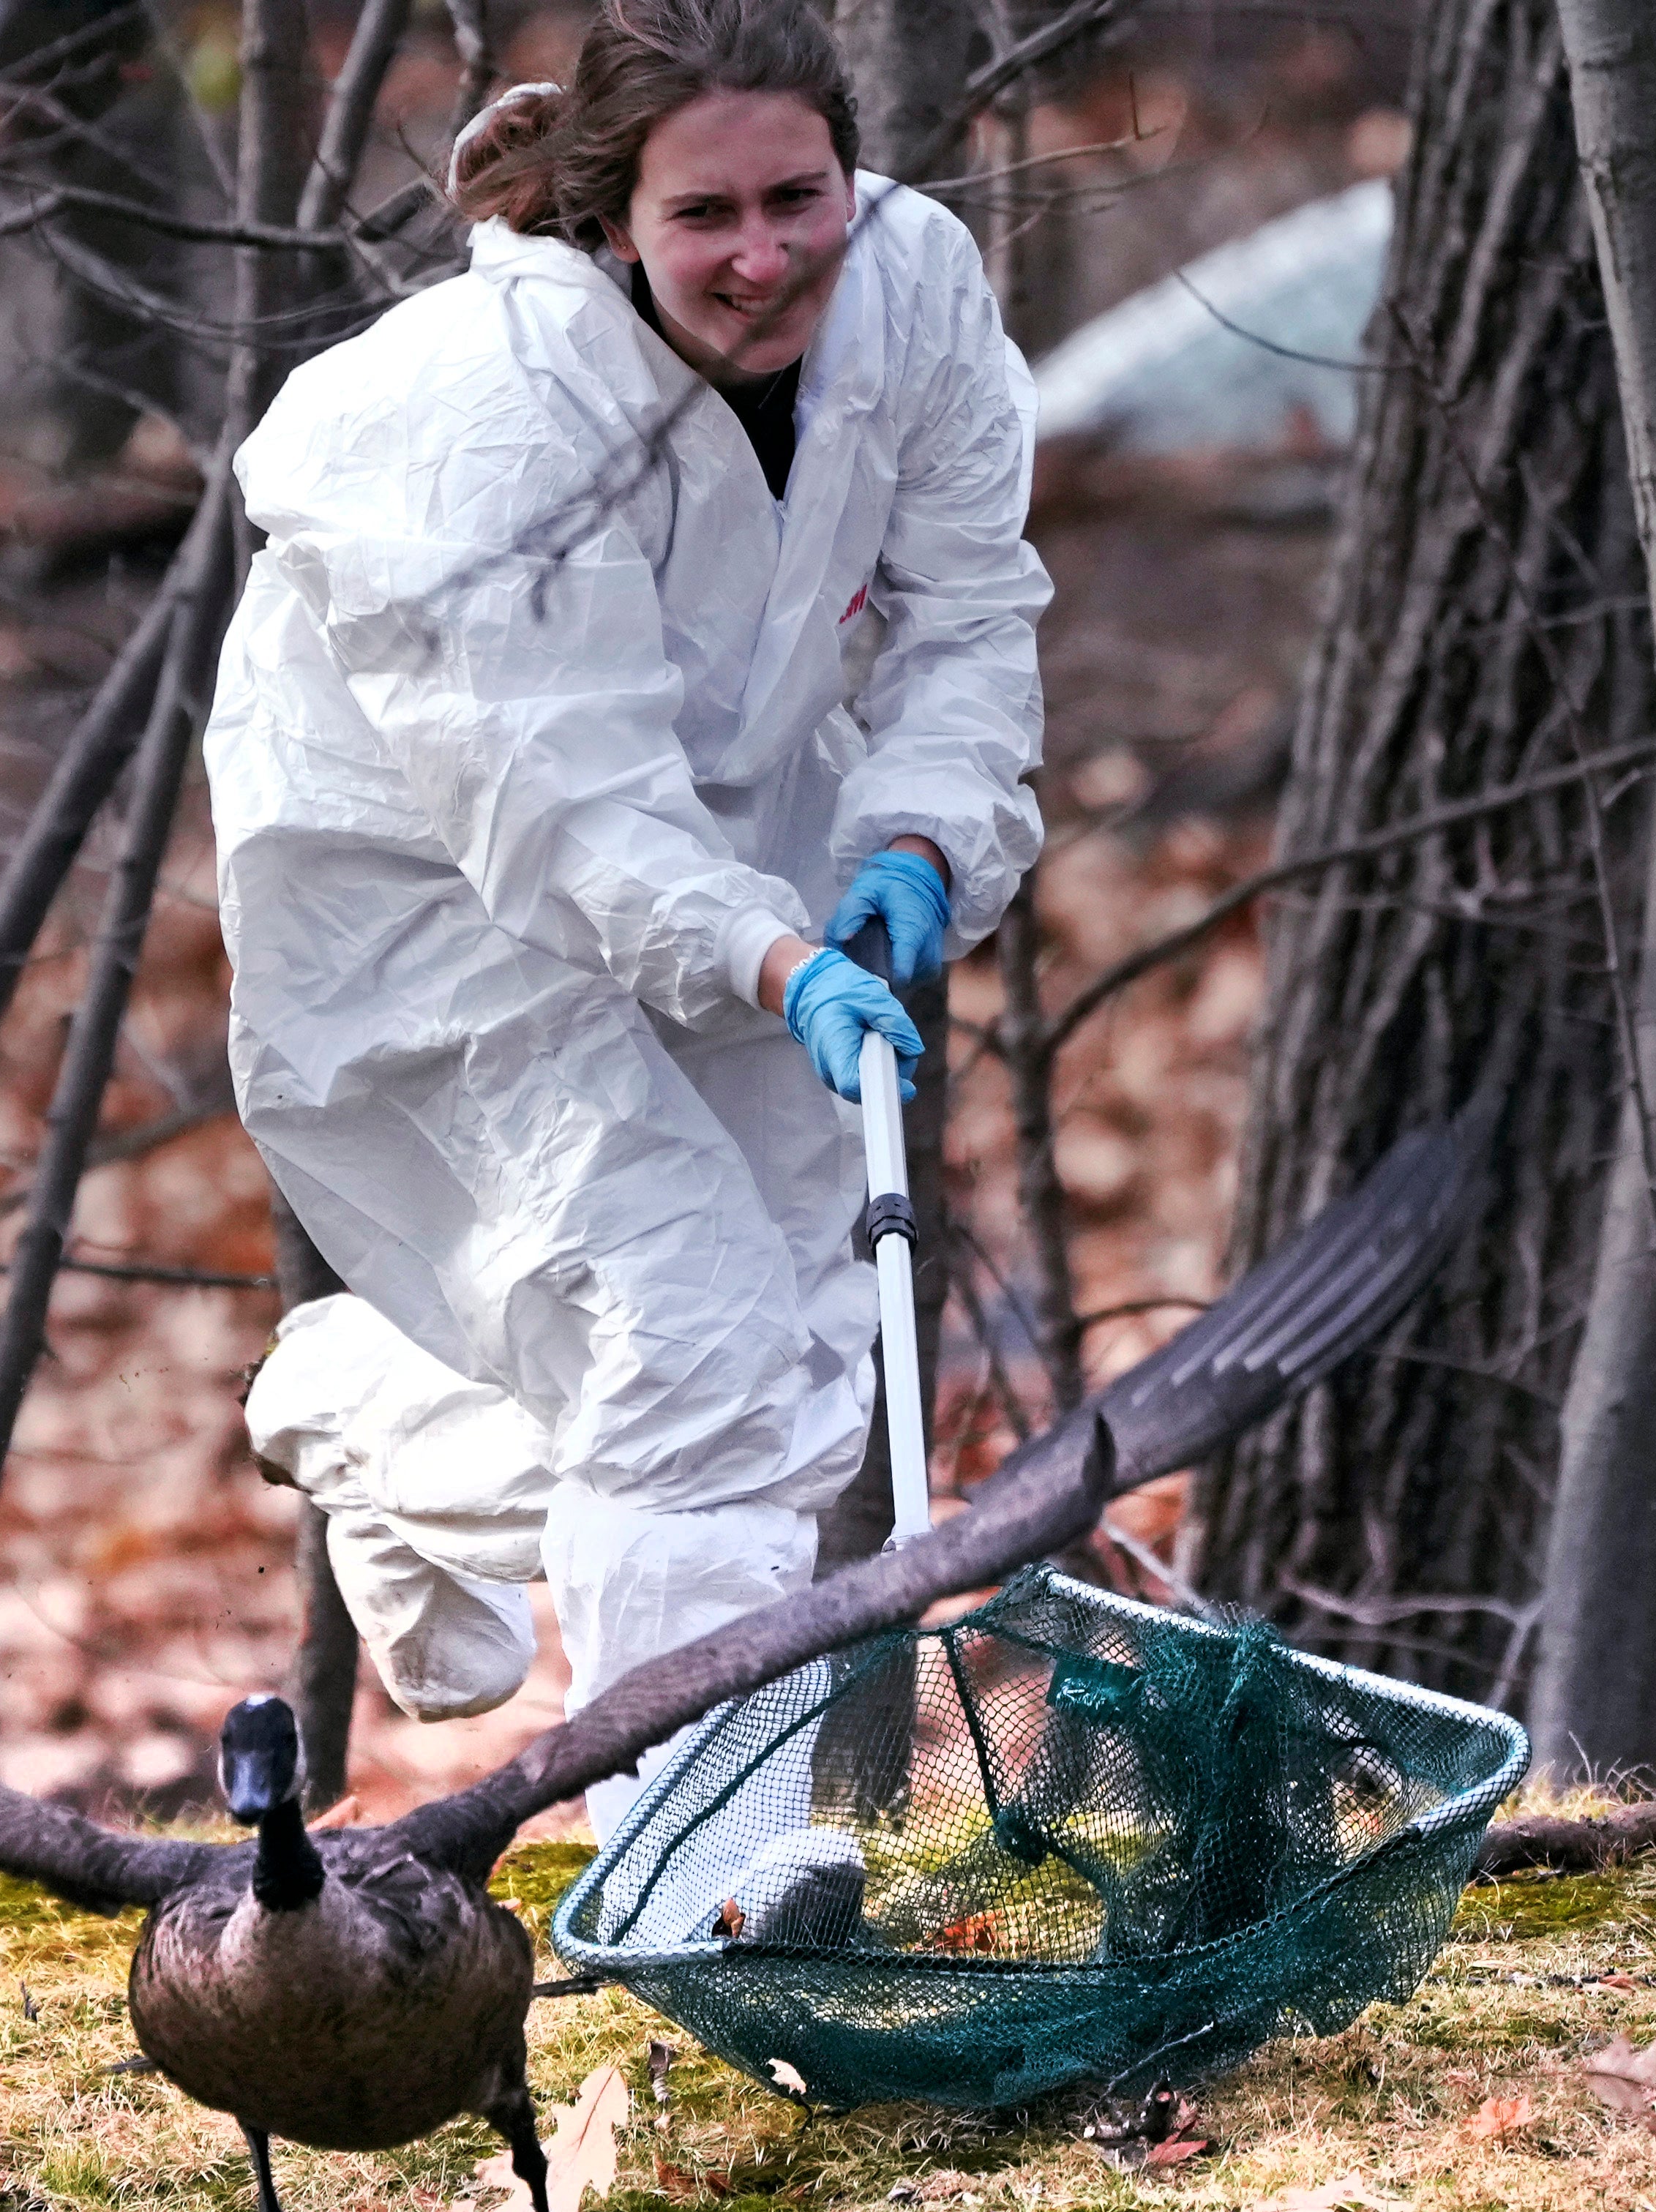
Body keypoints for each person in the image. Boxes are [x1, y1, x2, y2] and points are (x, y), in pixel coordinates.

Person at [206, 0, 1046, 1812]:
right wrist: (771, 957)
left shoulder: (912, 290)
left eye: (796, 197)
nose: (764, 256)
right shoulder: (485, 414)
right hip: (429, 890)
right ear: (609, 225)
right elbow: (555, 802)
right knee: (693, 1360)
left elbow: (969, 614)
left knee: (797, 1368)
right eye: (703, 219)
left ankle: (385, 1415)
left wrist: (914, 842)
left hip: (747, 839)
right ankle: (693, 1881)